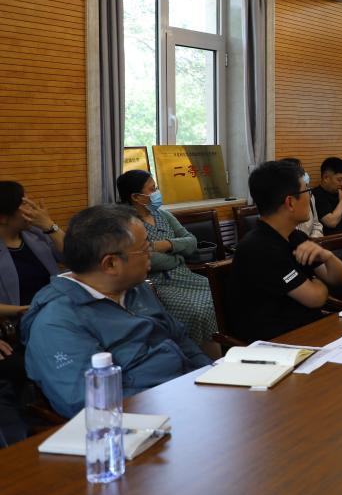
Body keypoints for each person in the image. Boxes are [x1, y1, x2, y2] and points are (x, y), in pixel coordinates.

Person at [22, 204, 212, 418]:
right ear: (111, 263)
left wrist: (210, 376)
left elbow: (180, 338)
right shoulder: (57, 323)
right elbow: (89, 402)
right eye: (145, 249)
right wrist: (177, 398)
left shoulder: (133, 288)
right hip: (148, 417)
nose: (150, 254)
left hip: (188, 396)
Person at [229, 160, 342, 342]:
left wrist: (328, 256)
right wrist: (318, 283)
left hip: (309, 329)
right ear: (290, 202)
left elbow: (340, 280)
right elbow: (315, 298)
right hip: (278, 343)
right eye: (306, 191)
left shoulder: (295, 236)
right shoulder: (260, 248)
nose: (310, 197)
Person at [116, 170, 219, 359]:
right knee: (196, 311)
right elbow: (147, 259)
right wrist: (178, 256)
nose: (157, 193)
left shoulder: (163, 215)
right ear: (136, 197)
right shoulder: (127, 224)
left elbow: (192, 242)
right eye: (152, 189)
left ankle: (225, 350)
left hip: (186, 275)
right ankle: (198, 358)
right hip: (158, 283)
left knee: (221, 296)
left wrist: (167, 245)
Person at [0, 181, 63, 319]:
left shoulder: (35, 233)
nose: (32, 209)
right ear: (3, 218)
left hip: (58, 308)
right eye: (24, 204)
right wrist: (23, 310)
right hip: (25, 319)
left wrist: (50, 226)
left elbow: (73, 257)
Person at [312, 157, 342, 235]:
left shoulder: (340, 193)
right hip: (336, 239)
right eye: (339, 180)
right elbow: (331, 222)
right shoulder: (317, 195)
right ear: (326, 178)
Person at [280, 158, 323, 238]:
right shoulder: (280, 203)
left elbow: (316, 224)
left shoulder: (309, 195)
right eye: (299, 172)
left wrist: (313, 238)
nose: (304, 175)